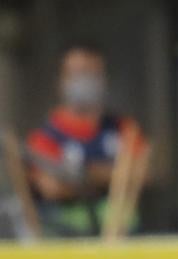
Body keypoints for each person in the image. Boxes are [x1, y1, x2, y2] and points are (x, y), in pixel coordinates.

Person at [25, 42, 146, 237]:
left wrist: (79, 175)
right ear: (62, 80)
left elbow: (140, 173)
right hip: (67, 239)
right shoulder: (45, 137)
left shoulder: (124, 128)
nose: (85, 81)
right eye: (78, 73)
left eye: (92, 74)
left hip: (122, 239)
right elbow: (52, 188)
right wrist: (109, 174)